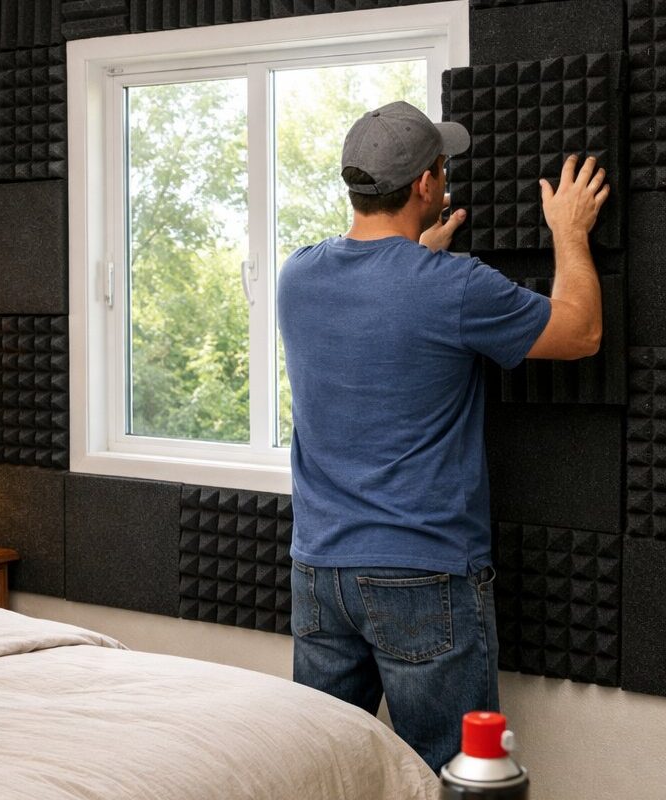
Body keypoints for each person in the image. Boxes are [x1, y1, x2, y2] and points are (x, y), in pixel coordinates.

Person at [276, 100, 608, 772]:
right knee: (456, 775)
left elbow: (378, 301)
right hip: (421, 575)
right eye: (442, 167)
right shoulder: (452, 288)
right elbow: (581, 332)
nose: (445, 177)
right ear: (426, 185)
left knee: (317, 770)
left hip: (319, 575)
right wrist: (569, 233)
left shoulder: (297, 276)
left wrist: (413, 257)